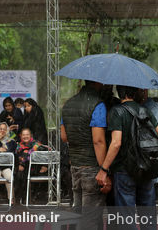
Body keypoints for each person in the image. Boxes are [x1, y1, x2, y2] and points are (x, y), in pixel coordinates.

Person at [95, 85, 158, 230]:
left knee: (126, 216)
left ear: (119, 93)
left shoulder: (117, 111)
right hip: (146, 167)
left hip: (124, 169)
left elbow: (116, 143)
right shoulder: (145, 109)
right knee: (147, 213)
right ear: (135, 93)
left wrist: (104, 169)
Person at [61, 80, 108, 230]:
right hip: (92, 166)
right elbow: (98, 141)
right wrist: (104, 169)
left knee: (78, 212)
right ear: (98, 84)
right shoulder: (97, 105)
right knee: (90, 217)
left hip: (75, 165)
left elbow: (64, 137)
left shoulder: (68, 104)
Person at [15, 128, 49, 204]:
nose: (25, 136)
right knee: (19, 173)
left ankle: (26, 197)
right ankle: (20, 197)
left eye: (27, 134)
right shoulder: (18, 146)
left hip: (36, 168)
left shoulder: (37, 144)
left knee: (26, 153)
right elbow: (16, 158)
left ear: (31, 135)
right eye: (23, 135)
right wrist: (20, 164)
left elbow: (45, 156)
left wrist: (45, 166)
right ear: (21, 136)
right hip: (24, 168)